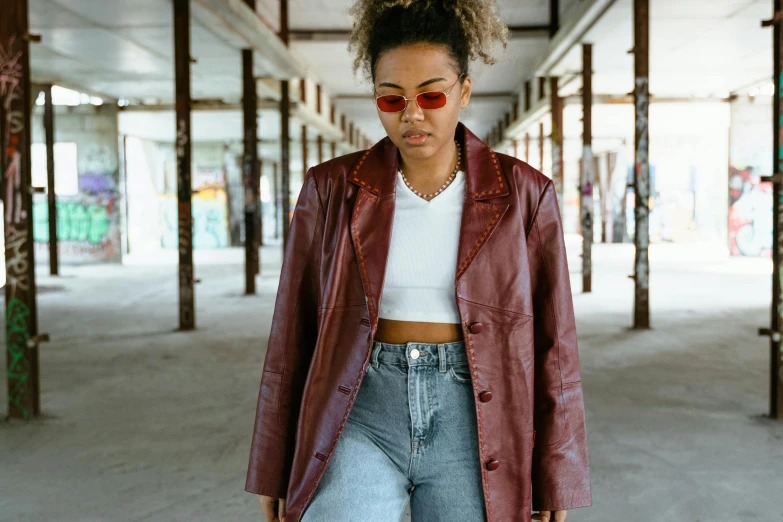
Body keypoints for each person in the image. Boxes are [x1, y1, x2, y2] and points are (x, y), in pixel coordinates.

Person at [245, 1, 592, 521]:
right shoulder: (331, 189)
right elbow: (290, 335)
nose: (412, 114)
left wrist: (557, 474)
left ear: (464, 92)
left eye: (432, 94)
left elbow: (556, 344)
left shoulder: (524, 194)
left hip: (478, 417)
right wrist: (272, 464)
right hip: (358, 406)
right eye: (392, 98)